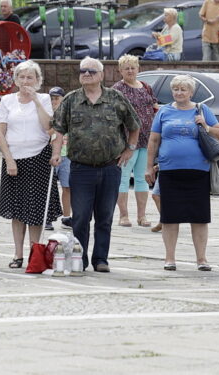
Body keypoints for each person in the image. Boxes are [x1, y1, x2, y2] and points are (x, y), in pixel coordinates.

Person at [51, 57, 140, 273]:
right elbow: (59, 129)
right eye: (83, 71)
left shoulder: (115, 98)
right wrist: (56, 154)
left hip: (110, 167)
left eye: (91, 71)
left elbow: (134, 125)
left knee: (105, 216)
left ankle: (101, 258)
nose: (86, 74)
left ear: (101, 75)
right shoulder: (71, 100)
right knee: (80, 217)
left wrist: (130, 149)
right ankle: (79, 258)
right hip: (81, 168)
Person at [145, 75, 219, 272]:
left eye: (183, 89)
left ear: (191, 92)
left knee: (199, 217)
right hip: (170, 170)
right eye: (176, 89)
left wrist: (205, 125)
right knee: (170, 217)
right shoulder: (164, 111)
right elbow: (153, 140)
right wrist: (148, 166)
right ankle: (170, 258)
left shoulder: (201, 109)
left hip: (198, 170)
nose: (179, 93)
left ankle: (201, 259)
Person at [0, 60, 61, 269]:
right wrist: (8, 159)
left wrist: (37, 102)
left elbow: (49, 128)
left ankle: (36, 253)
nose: (25, 81)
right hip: (14, 158)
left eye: (30, 77)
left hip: (39, 157)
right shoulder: (7, 101)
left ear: (37, 81)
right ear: (15, 80)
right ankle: (17, 254)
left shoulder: (43, 99)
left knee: (35, 210)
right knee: (16, 210)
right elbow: (0, 132)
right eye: (22, 77)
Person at [112, 55, 159, 228]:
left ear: (138, 68)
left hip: (146, 138)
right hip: (126, 140)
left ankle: (141, 216)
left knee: (141, 178)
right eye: (127, 68)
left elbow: (154, 107)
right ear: (120, 71)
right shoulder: (118, 88)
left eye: (133, 67)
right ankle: (123, 215)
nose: (130, 71)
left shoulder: (146, 87)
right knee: (123, 178)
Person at [45, 86, 71, 231]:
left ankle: (67, 217)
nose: (54, 101)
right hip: (50, 154)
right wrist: (56, 124)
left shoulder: (69, 114)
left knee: (67, 187)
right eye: (52, 98)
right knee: (50, 188)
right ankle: (47, 216)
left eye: (57, 98)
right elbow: (45, 133)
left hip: (67, 154)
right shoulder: (47, 115)